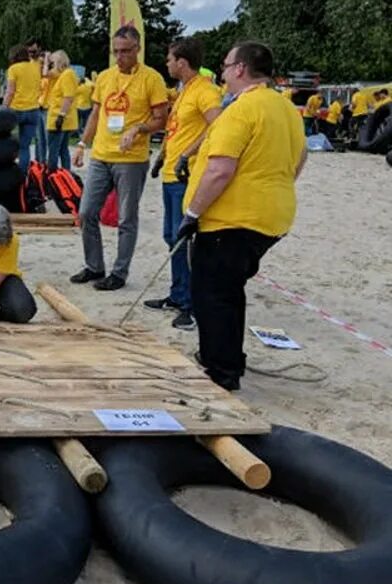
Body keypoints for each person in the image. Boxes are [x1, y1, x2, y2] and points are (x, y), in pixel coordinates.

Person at [177, 42, 306, 391]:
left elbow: (220, 169)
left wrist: (192, 213)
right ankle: (228, 357)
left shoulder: (241, 110)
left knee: (212, 293)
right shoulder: (284, 107)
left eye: (225, 65)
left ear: (240, 69)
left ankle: (222, 372)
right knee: (230, 289)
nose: (221, 71)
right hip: (271, 217)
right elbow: (300, 159)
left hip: (231, 221)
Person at [71, 25, 168, 291]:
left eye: (125, 51)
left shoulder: (152, 79)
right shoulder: (104, 77)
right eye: (116, 51)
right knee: (86, 212)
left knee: (127, 218)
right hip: (101, 155)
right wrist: (82, 144)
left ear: (137, 49)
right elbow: (95, 114)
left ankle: (119, 272)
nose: (120, 56)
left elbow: (161, 118)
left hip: (131, 158)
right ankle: (94, 266)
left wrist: (138, 129)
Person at [145, 37, 222, 331]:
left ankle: (190, 305)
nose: (166, 63)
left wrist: (188, 154)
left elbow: (218, 124)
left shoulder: (205, 91)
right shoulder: (185, 90)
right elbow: (175, 129)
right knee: (170, 237)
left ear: (182, 62)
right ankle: (177, 296)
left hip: (186, 176)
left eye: (170, 58)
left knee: (183, 240)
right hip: (170, 174)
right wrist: (163, 155)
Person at [3, 44, 41, 174]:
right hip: (33, 110)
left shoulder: (13, 69)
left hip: (16, 109)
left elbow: (10, 91)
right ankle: (23, 176)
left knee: (5, 140)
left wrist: (3, 108)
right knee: (25, 147)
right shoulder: (36, 68)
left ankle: (7, 170)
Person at [44, 50, 79, 170]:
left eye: (53, 63)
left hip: (59, 117)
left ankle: (51, 174)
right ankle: (65, 175)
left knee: (54, 150)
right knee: (63, 150)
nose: (52, 66)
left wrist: (61, 116)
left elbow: (68, 97)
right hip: (65, 118)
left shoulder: (67, 75)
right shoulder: (66, 74)